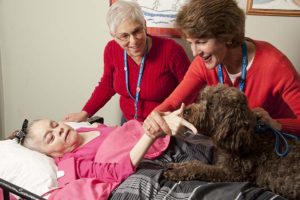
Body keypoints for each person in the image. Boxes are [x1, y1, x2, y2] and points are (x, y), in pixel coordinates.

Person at [143, 0, 300, 137]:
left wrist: (274, 124)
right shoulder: (203, 63)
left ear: (227, 36)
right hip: (235, 142)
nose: (194, 52)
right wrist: (155, 116)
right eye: (191, 42)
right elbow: (173, 103)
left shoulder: (275, 65)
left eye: (201, 42)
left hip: (273, 141)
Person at [63, 0, 190, 124]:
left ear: (144, 25)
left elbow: (191, 91)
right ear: (113, 35)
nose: (133, 41)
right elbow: (107, 84)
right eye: (124, 36)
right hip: (128, 124)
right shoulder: (111, 50)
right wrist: (85, 113)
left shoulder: (171, 51)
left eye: (137, 32)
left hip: (163, 125)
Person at [10, 106, 196, 184]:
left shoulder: (83, 130)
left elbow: (124, 133)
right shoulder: (73, 162)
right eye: (50, 138)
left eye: (54, 124)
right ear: (51, 155)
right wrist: (150, 134)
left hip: (168, 140)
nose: (58, 130)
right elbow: (116, 172)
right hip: (159, 155)